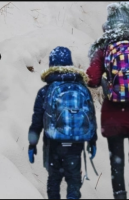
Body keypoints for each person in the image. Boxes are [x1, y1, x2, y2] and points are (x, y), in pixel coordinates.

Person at [28, 47, 98, 199]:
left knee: (54, 179)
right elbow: (91, 116)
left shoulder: (46, 90)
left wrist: (32, 144)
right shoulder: (81, 88)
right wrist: (93, 141)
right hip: (76, 142)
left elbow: (37, 119)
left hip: (53, 143)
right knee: (73, 180)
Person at [86, 2, 129, 199]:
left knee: (117, 162)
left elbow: (92, 79)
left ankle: (120, 195)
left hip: (113, 115)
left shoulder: (103, 47)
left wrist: (103, 81)